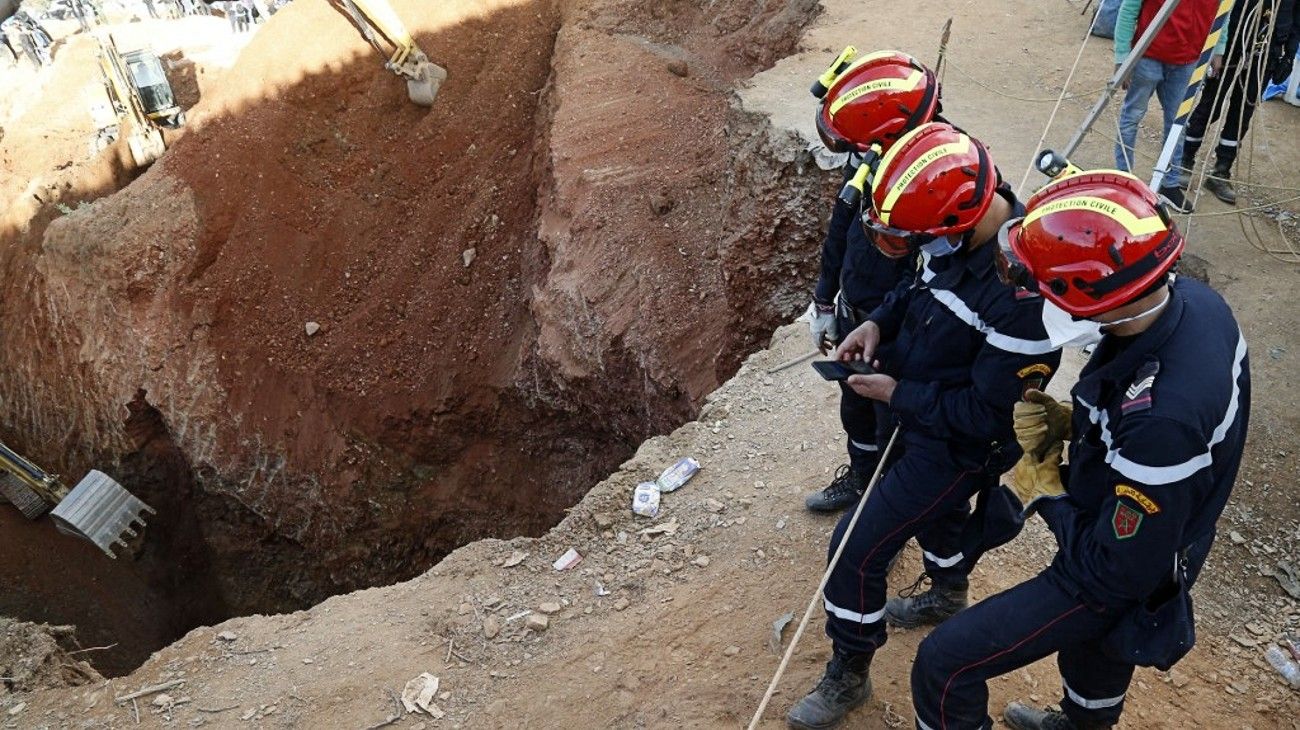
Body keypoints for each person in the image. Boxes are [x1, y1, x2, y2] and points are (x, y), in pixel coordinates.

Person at [910, 169, 1250, 730]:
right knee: (1096, 655)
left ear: (1096, 297)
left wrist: (1046, 482)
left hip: (1129, 558)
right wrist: (1078, 424)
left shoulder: (1162, 420)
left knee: (944, 663)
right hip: (1161, 516)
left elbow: (1111, 573)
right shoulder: (1189, 302)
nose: (1027, 293)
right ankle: (1081, 721)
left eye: (1039, 282)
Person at [786, 122, 1061, 730]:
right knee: (938, 519)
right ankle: (948, 589)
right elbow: (917, 289)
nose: (907, 250)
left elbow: (987, 417)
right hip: (920, 413)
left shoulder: (1023, 303)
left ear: (952, 223)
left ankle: (849, 672)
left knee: (854, 552)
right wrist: (878, 325)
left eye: (910, 239)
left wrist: (897, 393)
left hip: (959, 446)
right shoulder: (955, 236)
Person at [803, 50, 940, 513]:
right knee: (855, 408)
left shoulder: (939, 174)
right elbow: (842, 223)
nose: (856, 156)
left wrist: (883, 322)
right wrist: (825, 300)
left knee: (892, 425)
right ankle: (860, 479)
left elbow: (932, 276)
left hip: (901, 327)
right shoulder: (873, 153)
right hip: (856, 314)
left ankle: (883, 508)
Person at [1112, 0, 1229, 213]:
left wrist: (1218, 48)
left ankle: (1170, 184)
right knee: (1132, 117)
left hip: (1187, 61)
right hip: (1147, 57)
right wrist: (1122, 58)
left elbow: (1223, 12)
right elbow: (1129, 9)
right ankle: (1123, 178)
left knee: (1177, 124)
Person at [1183, 0, 1300, 204]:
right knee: (1211, 105)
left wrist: (1289, 56)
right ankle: (1184, 159)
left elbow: (1297, 19)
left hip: (1266, 53)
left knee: (1242, 114)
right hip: (1232, 42)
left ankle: (1221, 172)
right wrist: (1215, 46)